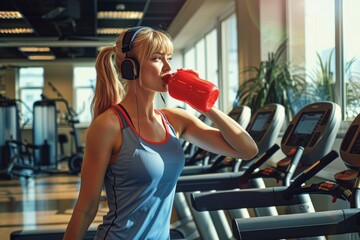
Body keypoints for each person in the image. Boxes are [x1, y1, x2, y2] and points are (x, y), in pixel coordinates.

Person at [63, 26, 258, 240]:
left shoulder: (174, 120)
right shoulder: (109, 125)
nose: (168, 68)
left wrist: (204, 104)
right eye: (157, 58)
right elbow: (86, 207)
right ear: (131, 67)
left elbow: (247, 150)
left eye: (169, 58)